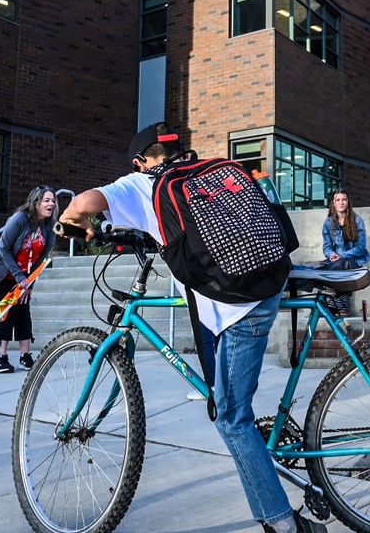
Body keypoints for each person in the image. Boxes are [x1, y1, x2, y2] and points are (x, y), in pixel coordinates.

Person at [60, 122, 325, 533]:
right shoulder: (206, 170)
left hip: (241, 303)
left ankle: (282, 523)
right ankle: (262, 456)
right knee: (222, 391)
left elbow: (84, 202)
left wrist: (72, 221)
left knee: (232, 420)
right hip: (269, 275)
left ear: (139, 161)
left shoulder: (138, 183)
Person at [0, 185, 57, 373]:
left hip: (23, 275)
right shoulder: (19, 219)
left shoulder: (49, 228)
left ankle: (25, 356)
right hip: (0, 271)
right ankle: (0, 358)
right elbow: (3, 248)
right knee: (9, 308)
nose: (51, 203)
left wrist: (29, 284)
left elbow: (41, 260)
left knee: (24, 308)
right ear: (36, 202)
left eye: (53, 200)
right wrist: (19, 277)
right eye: (47, 200)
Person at [316, 190, 370, 316]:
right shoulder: (328, 223)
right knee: (324, 268)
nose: (341, 202)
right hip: (337, 260)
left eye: (344, 199)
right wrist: (331, 254)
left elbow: (361, 247)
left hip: (355, 259)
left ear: (348, 202)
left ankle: (336, 306)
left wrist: (342, 255)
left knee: (342, 266)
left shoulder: (357, 221)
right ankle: (338, 306)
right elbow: (327, 247)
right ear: (333, 204)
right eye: (338, 200)